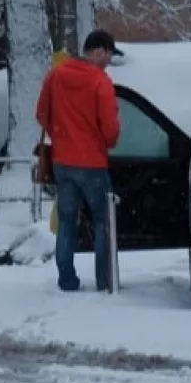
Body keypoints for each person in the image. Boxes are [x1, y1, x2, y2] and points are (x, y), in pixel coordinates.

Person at [36, 29, 124, 292]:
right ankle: (104, 280)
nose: (109, 61)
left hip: (63, 162)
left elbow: (41, 113)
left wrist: (61, 135)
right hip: (94, 164)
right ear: (99, 51)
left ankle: (67, 280)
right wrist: (107, 141)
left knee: (66, 221)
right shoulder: (100, 83)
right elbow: (110, 128)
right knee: (103, 222)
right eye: (108, 55)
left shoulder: (56, 76)